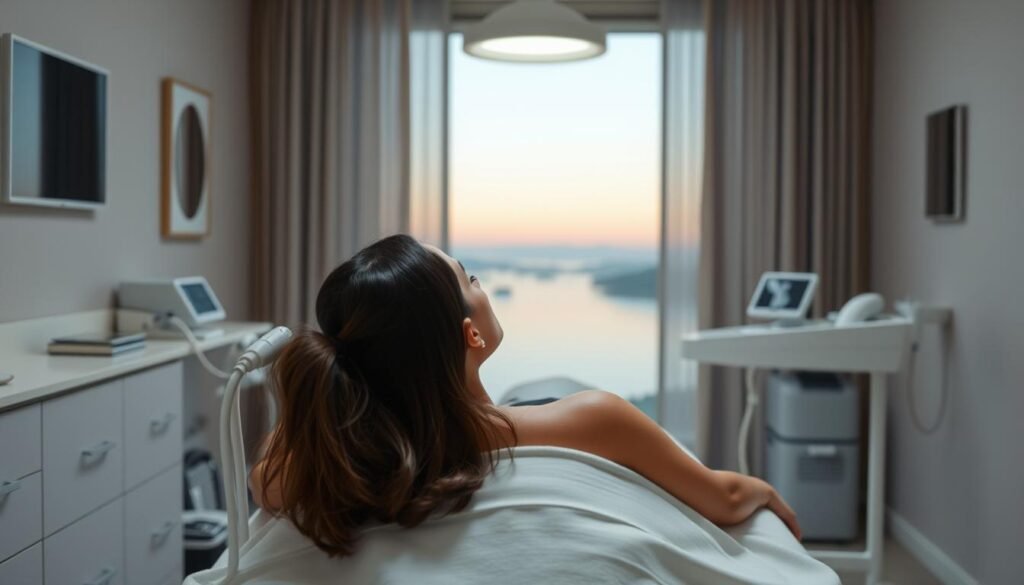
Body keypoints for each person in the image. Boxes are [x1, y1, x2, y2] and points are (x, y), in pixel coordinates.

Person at [251, 234, 800, 557]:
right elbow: (723, 499)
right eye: (471, 278)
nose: (481, 286)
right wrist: (764, 491)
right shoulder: (596, 417)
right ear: (470, 334)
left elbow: (268, 480)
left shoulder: (330, 463)